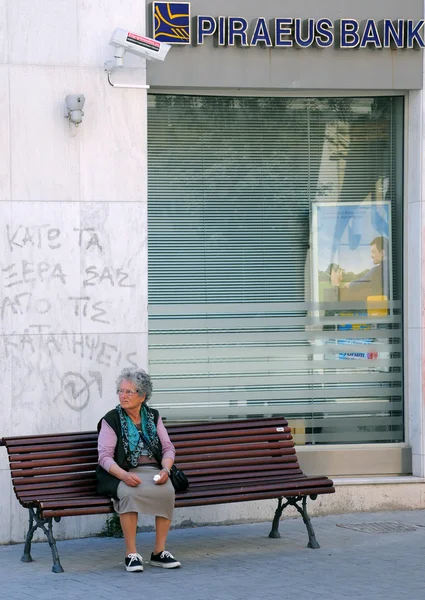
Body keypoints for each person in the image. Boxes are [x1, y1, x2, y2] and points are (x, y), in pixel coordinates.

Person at [96, 367, 181, 572]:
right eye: (120, 391)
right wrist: (124, 475)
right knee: (128, 493)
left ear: (142, 396)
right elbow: (104, 457)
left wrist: (165, 471)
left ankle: (159, 552)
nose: (122, 396)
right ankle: (131, 554)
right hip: (120, 472)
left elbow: (168, 448)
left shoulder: (153, 416)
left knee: (167, 490)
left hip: (153, 469)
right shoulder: (111, 419)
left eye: (128, 392)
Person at [331, 236, 389, 301]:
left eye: (373, 252)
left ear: (382, 253)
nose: (371, 256)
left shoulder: (377, 271)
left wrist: (345, 284)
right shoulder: (392, 269)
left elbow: (361, 283)